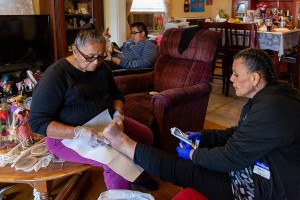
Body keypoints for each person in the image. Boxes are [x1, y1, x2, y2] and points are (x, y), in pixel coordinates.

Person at [102, 48, 300, 199]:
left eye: (236, 74)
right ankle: (132, 149)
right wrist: (204, 136)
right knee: (191, 162)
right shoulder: (271, 98)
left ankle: (126, 146)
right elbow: (239, 133)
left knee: (183, 168)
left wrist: (194, 154)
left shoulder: (271, 109)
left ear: (255, 78)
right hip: (258, 167)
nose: (231, 78)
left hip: (264, 186)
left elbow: (230, 158)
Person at [28, 23, 158, 191]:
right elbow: (37, 123)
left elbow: (117, 95)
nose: (96, 63)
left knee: (145, 135)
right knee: (115, 162)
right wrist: (77, 132)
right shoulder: (56, 76)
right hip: (66, 138)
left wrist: (118, 114)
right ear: (75, 51)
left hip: (104, 123)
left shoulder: (102, 67)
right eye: (90, 57)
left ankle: (139, 176)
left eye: (101, 57)